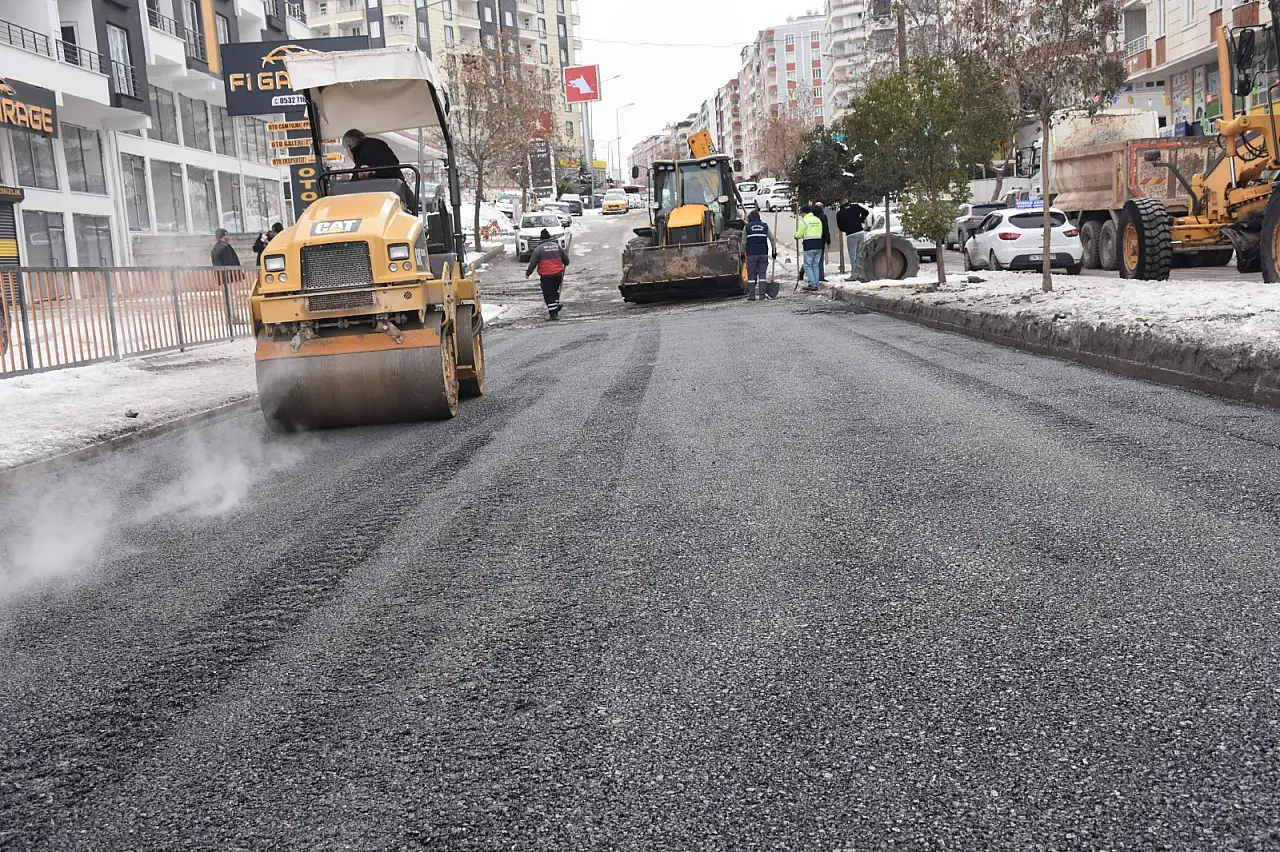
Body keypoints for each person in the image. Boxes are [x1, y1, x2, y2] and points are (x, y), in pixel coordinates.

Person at [525, 229, 570, 320]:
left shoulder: (539, 249)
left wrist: (528, 273)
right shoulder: (557, 246)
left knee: (548, 294)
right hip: (558, 274)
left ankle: (553, 314)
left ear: (541, 239)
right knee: (554, 292)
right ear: (549, 238)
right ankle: (555, 307)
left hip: (546, 275)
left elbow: (533, 263)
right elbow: (566, 261)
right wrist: (565, 260)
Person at [742, 210, 779, 301]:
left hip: (751, 254)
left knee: (751, 276)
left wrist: (742, 253)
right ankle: (762, 295)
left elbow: (743, 242)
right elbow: (772, 239)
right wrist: (774, 251)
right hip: (763, 254)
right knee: (762, 274)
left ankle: (752, 296)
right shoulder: (764, 226)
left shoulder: (747, 227)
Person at [836, 200, 870, 280]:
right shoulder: (855, 206)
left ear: (840, 203)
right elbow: (866, 212)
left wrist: (847, 229)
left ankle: (854, 274)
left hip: (851, 234)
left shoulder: (840, 213)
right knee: (860, 254)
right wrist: (860, 220)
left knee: (853, 256)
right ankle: (862, 273)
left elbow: (840, 227)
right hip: (860, 232)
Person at [794, 205, 825, 291]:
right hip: (819, 244)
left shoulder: (804, 221)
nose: (801, 215)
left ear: (804, 213)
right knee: (815, 265)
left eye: (801, 213)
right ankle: (816, 283)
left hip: (809, 245)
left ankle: (812, 283)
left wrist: (796, 236)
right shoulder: (817, 220)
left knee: (807, 265)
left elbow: (799, 234)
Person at [813, 201, 832, 282]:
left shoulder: (811, 217)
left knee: (810, 259)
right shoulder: (823, 216)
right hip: (820, 240)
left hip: (810, 240)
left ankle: (812, 276)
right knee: (820, 259)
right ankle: (820, 276)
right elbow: (825, 229)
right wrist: (828, 241)